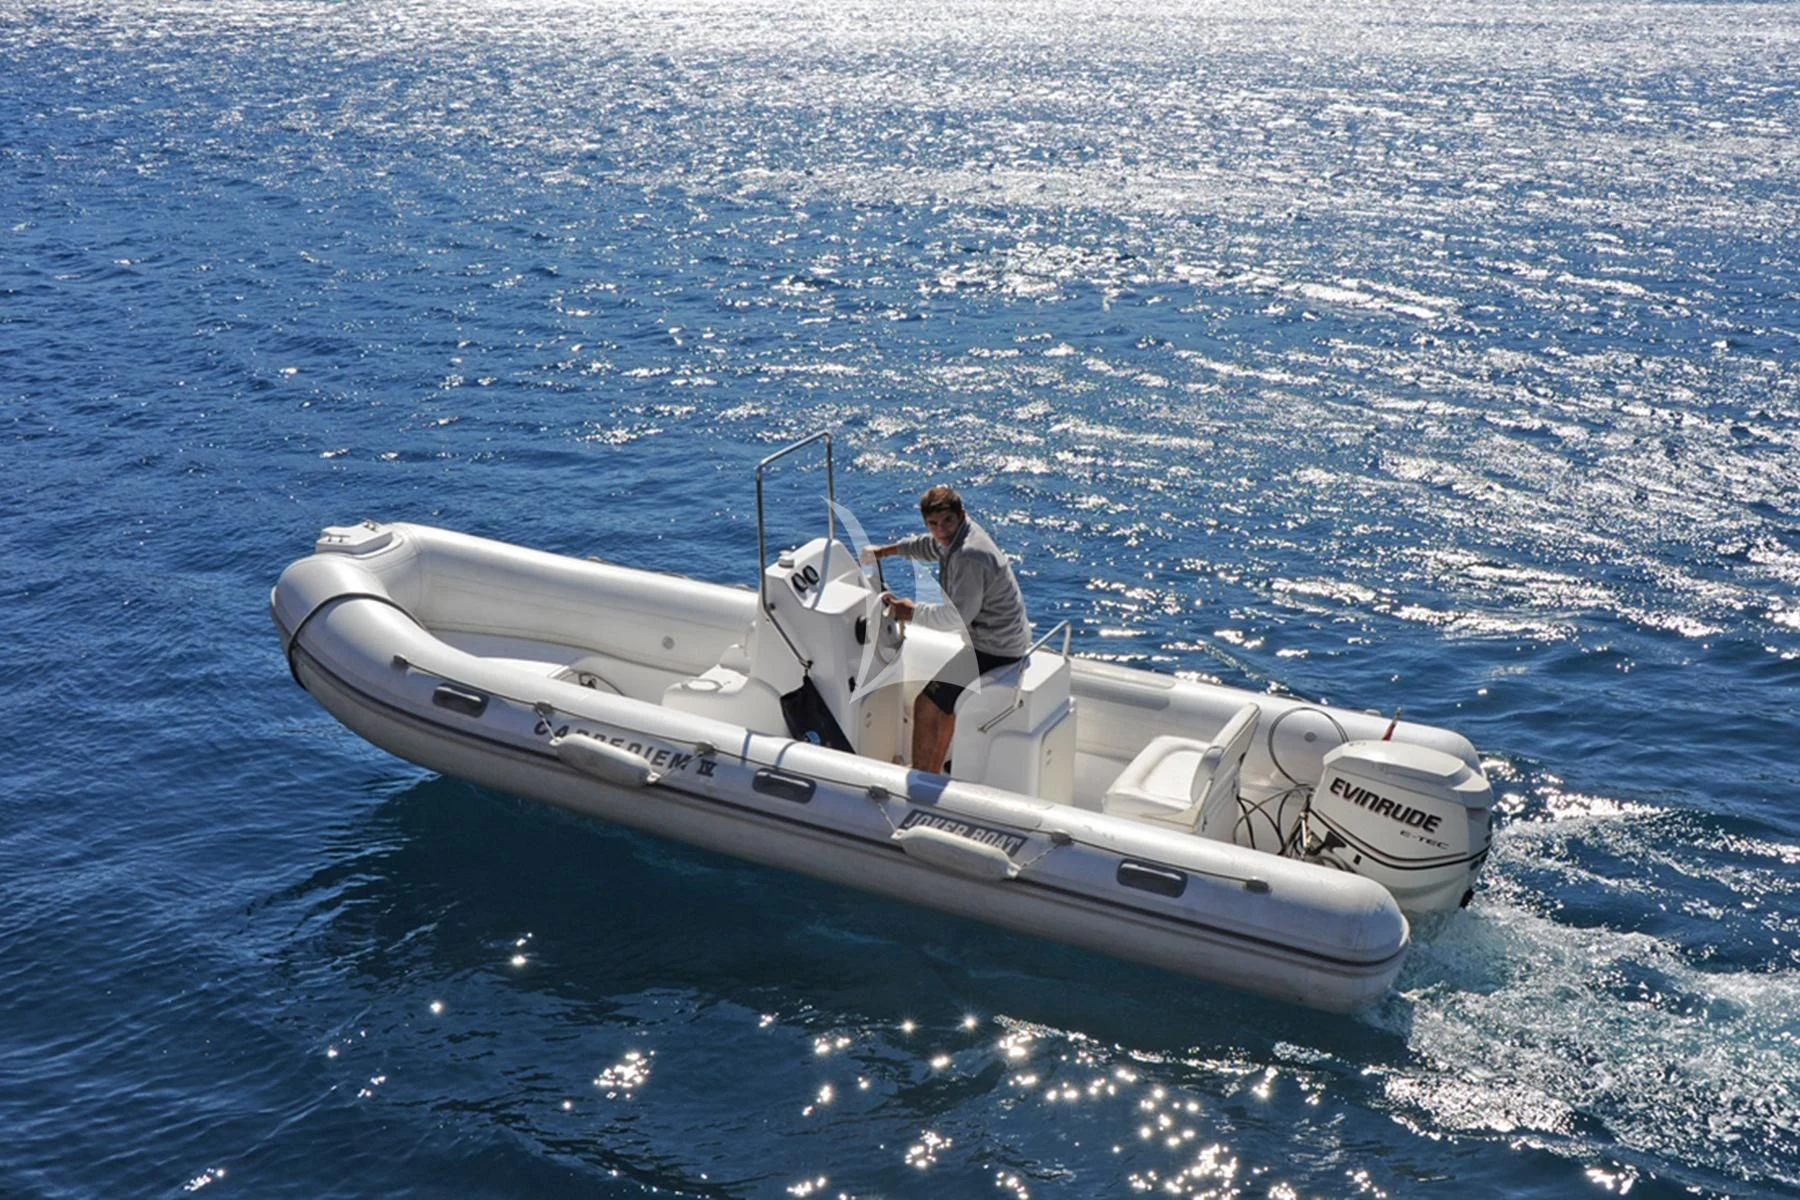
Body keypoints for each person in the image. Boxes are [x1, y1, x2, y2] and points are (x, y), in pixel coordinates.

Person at [860, 485, 1031, 775]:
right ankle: (932, 771)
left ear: (960, 515)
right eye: (933, 524)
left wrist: (909, 612)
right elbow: (929, 546)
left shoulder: (969, 554)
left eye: (947, 521)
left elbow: (956, 618)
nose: (940, 530)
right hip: (998, 638)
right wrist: (886, 551)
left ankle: (919, 779)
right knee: (945, 704)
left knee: (926, 704)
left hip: (994, 647)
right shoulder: (957, 536)